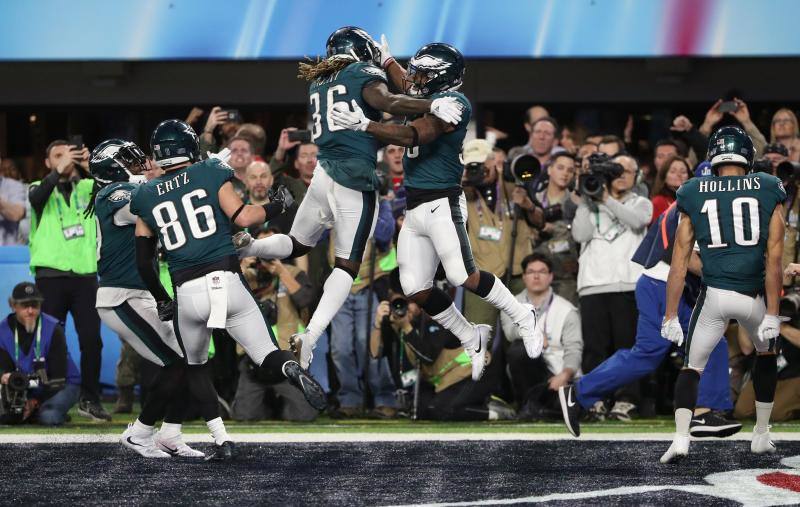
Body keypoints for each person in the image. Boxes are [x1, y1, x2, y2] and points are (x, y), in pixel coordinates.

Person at [238, 27, 464, 373]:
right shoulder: (361, 73)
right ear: (361, 52)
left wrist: (391, 67)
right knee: (347, 265)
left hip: (323, 173)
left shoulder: (319, 81)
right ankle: (311, 336)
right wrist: (431, 102)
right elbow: (387, 101)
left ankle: (249, 247)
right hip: (353, 176)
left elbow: (385, 103)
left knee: (297, 243)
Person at [330, 40, 543, 380]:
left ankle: (522, 314)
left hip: (443, 200)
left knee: (462, 275)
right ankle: (470, 335)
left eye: (422, 73)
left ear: (441, 77)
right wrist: (387, 61)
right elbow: (404, 87)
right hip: (415, 206)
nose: (414, 77)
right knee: (416, 287)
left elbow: (415, 134)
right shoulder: (428, 95)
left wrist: (366, 126)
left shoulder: (455, 103)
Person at [130, 119, 326, 460]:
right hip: (226, 280)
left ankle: (222, 440)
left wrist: (163, 299)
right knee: (266, 352)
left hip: (187, 291)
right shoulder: (207, 171)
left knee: (194, 367)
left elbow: (144, 262)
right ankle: (289, 368)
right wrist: (277, 205)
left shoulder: (144, 195)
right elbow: (245, 217)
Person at [559, 196, 740, 438]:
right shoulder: (706, 201)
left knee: (664, 352)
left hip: (660, 283)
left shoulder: (693, 197)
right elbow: (692, 259)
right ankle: (703, 413)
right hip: (666, 285)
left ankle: (581, 392)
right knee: (704, 344)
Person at [659, 126, 786, 463]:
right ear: (749, 155)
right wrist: (773, 312)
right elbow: (775, 259)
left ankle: (681, 438)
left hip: (714, 294)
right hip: (754, 295)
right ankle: (761, 434)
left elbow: (679, 263)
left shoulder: (693, 190)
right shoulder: (768, 187)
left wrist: (670, 315)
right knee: (766, 355)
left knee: (691, 367)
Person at [88, 140, 204, 458]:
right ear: (112, 166)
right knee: (176, 362)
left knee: (191, 359)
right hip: (121, 295)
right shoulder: (114, 194)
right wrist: (183, 174)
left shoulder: (131, 188)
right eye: (128, 158)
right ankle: (140, 432)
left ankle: (170, 434)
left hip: (138, 294)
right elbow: (147, 202)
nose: (140, 161)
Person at [27, 139, 110, 421]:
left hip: (85, 276)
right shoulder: (38, 188)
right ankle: (50, 399)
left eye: (69, 154)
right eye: (57, 156)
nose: (65, 159)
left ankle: (90, 399)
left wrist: (89, 165)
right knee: (48, 341)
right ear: (48, 162)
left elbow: (108, 187)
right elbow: (36, 199)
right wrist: (58, 172)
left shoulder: (87, 187)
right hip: (50, 276)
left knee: (91, 341)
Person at [370, 271, 514, 421]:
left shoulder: (437, 316)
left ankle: (494, 410)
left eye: (411, 301)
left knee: (442, 410)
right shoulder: (395, 322)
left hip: (477, 371)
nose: (406, 308)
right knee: (422, 411)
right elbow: (374, 354)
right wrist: (378, 324)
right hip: (448, 379)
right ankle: (476, 402)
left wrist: (406, 327)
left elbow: (427, 356)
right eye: (400, 302)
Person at [571, 153, 652, 420]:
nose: (621, 175)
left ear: (637, 176)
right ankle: (594, 399)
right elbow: (579, 235)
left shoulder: (641, 203)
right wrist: (587, 198)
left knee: (627, 347)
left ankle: (626, 399)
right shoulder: (590, 203)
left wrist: (605, 199)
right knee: (595, 348)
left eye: (626, 170)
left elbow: (637, 221)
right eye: (616, 170)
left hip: (628, 284)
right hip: (593, 285)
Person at [502, 254, 582, 419]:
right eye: (531, 272)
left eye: (542, 272)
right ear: (524, 277)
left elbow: (574, 349)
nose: (536, 276)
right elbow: (510, 333)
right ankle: (529, 406)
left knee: (573, 409)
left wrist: (565, 375)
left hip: (559, 377)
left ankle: (538, 409)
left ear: (551, 276)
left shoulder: (567, 310)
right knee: (519, 349)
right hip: (531, 372)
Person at [0, 282, 80, 425]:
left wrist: (35, 402)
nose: (30, 311)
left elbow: (58, 378)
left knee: (48, 417)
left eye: (35, 305)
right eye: (25, 305)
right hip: (25, 387)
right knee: (8, 417)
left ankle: (48, 410)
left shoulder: (54, 329)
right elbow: (5, 370)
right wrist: (4, 377)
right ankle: (36, 412)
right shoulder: (2, 331)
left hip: (62, 385)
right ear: (13, 305)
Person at [532, 152, 579, 303]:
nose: (565, 173)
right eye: (560, 168)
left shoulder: (576, 203)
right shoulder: (534, 200)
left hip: (566, 276)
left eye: (570, 170)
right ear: (549, 169)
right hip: (536, 273)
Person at [650, 155, 692, 223]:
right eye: (673, 171)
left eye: (683, 172)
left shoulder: (693, 199)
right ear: (664, 176)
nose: (679, 174)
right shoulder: (658, 202)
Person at [0, 155, 26, 245]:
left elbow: (17, 214)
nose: (7, 172)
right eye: (4, 169)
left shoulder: (16, 186)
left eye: (12, 169)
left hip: (6, 253)